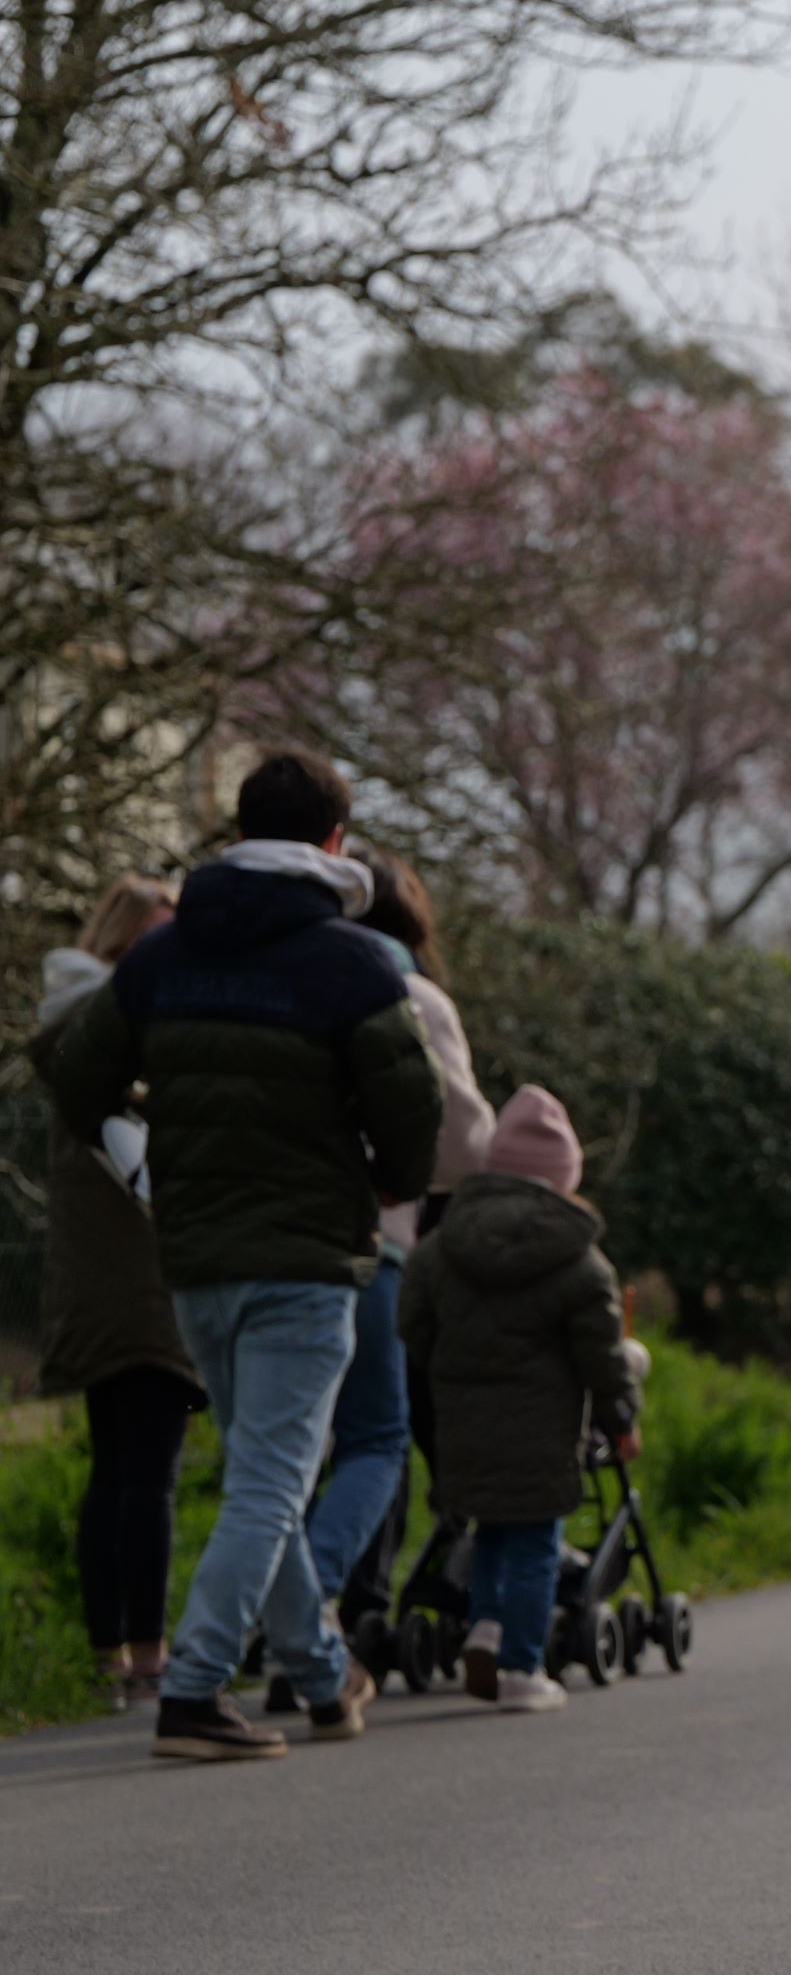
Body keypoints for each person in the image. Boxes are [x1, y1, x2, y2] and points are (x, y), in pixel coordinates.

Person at [46, 748, 445, 1762]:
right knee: (271, 1483)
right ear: (334, 841)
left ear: (236, 832)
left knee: (261, 1473)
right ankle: (193, 1690)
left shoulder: (160, 960)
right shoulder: (353, 964)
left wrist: (142, 1160)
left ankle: (320, 1675)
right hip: (305, 1259)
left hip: (195, 1261)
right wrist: (388, 1183)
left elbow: (76, 1077)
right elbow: (414, 1112)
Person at [400, 1086, 643, 1714]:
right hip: (542, 1429)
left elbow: (413, 1328)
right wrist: (621, 1418)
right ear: (563, 1178)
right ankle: (521, 1669)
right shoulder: (581, 1264)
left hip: (462, 1423)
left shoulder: (439, 1249)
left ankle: (485, 1626)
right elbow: (602, 1358)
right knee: (535, 1545)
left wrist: (449, 1371)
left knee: (488, 1531)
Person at [304, 850, 494, 1652]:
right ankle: (343, 1601)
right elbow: (466, 1144)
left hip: (272, 1239)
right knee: (386, 1432)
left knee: (308, 1442)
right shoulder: (413, 995)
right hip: (388, 1243)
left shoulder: (291, 978)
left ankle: (315, 1602)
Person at [29, 875, 201, 1715]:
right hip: (145, 1279)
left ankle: (113, 1656)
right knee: (146, 1474)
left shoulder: (71, 1032)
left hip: (101, 1285)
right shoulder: (120, 1032)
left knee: (119, 1469)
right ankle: (147, 1655)